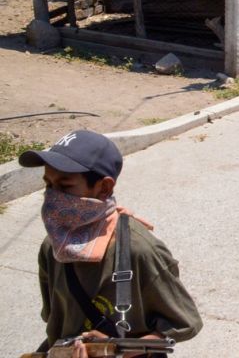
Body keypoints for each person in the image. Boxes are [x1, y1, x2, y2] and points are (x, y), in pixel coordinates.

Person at [23, 130, 202, 357]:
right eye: (48, 185)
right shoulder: (53, 247)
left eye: (66, 187)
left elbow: (186, 321)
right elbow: (53, 315)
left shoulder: (140, 251)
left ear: (104, 187)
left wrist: (116, 348)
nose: (52, 197)